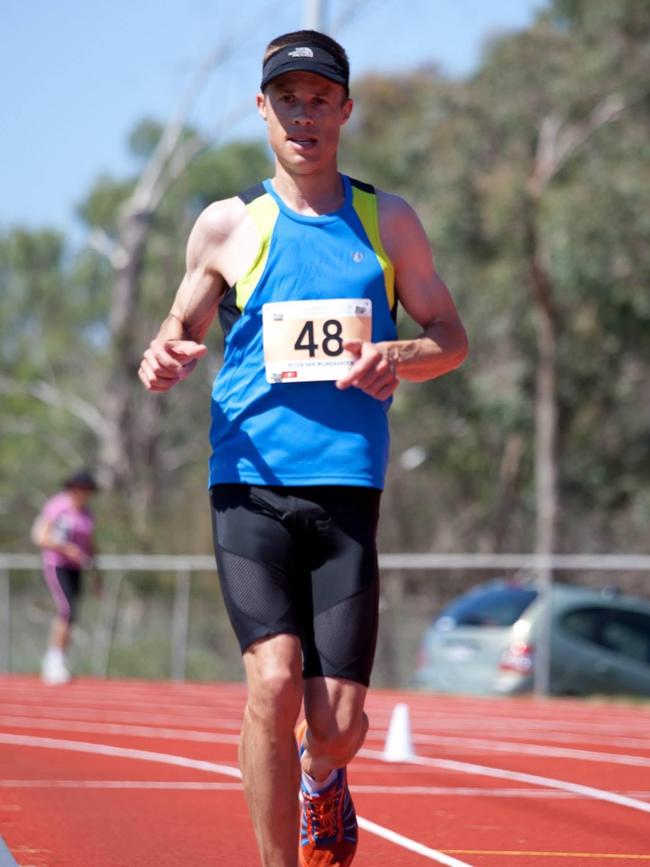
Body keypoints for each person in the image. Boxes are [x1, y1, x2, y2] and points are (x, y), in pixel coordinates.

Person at [138, 29, 468, 867]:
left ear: (345, 110)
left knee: (341, 725)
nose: (304, 114)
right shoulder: (226, 225)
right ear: (262, 108)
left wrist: (401, 354)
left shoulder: (385, 219)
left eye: (321, 98)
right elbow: (180, 328)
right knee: (272, 680)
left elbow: (451, 336)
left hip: (348, 488)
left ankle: (325, 780)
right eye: (288, 97)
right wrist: (165, 350)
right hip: (247, 483)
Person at [31, 470, 98, 685]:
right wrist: (65, 548)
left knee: (72, 614)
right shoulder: (58, 506)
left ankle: (59, 659)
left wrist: (97, 573)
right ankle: (53, 660)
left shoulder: (87, 513)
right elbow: (40, 536)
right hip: (57, 564)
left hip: (76, 567)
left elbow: (91, 544)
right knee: (66, 609)